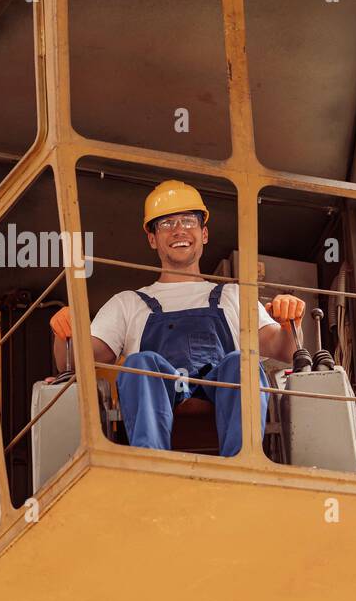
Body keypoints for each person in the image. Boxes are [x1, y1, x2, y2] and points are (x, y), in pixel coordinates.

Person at [49, 180, 304, 456]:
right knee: (140, 363)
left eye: (188, 221)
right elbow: (73, 362)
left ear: (203, 233)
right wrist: (65, 332)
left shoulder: (233, 295)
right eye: (166, 224)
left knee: (242, 363)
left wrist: (291, 320)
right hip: (158, 398)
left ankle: (245, 462)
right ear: (152, 238)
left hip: (222, 395)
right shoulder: (128, 303)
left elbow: (285, 350)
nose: (179, 230)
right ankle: (151, 464)